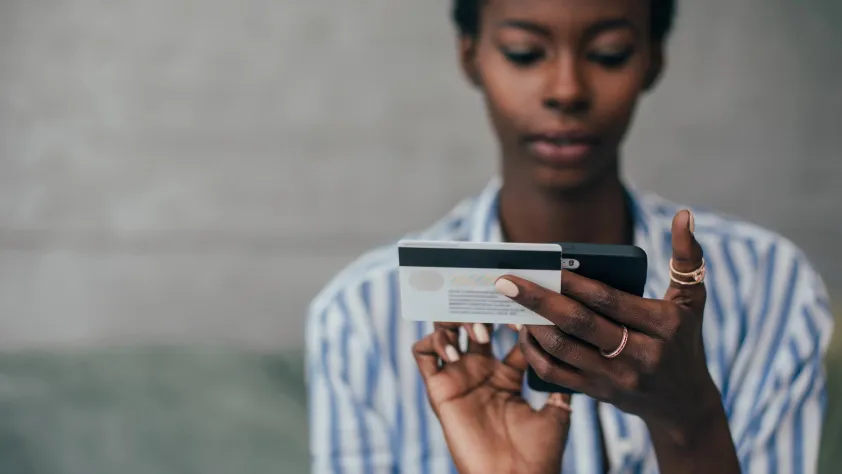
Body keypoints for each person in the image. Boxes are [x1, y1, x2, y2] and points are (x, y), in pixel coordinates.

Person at [306, 0, 834, 472]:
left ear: (653, 57)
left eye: (609, 54)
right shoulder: (360, 318)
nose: (566, 91)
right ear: (471, 56)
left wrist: (689, 422)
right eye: (523, 53)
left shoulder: (771, 289)